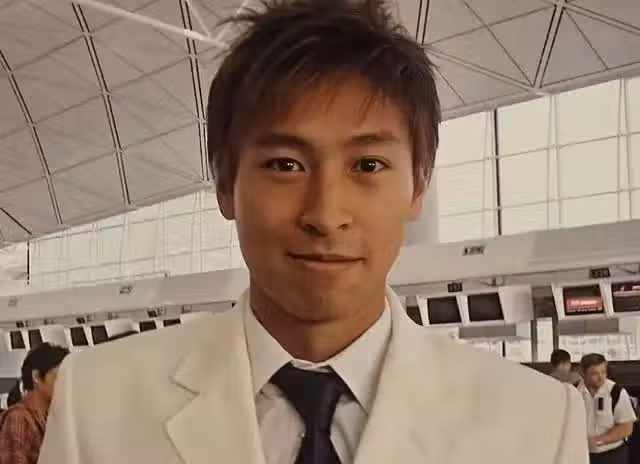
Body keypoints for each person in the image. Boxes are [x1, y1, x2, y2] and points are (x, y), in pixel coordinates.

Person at [39, 1, 588, 463]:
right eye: (285, 164)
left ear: (418, 187)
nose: (325, 214)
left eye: (368, 165)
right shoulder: (98, 401)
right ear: (225, 184)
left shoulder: (535, 425)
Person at [0, 343, 69, 464]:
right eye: (60, 376)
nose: (66, 383)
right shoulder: (19, 418)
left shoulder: (51, 417)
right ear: (36, 377)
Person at [578, 353, 637, 464]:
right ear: (582, 373)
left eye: (603, 372)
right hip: (581, 455)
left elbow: (627, 427)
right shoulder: (573, 393)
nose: (601, 377)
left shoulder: (617, 392)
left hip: (612, 455)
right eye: (595, 373)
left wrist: (598, 441)